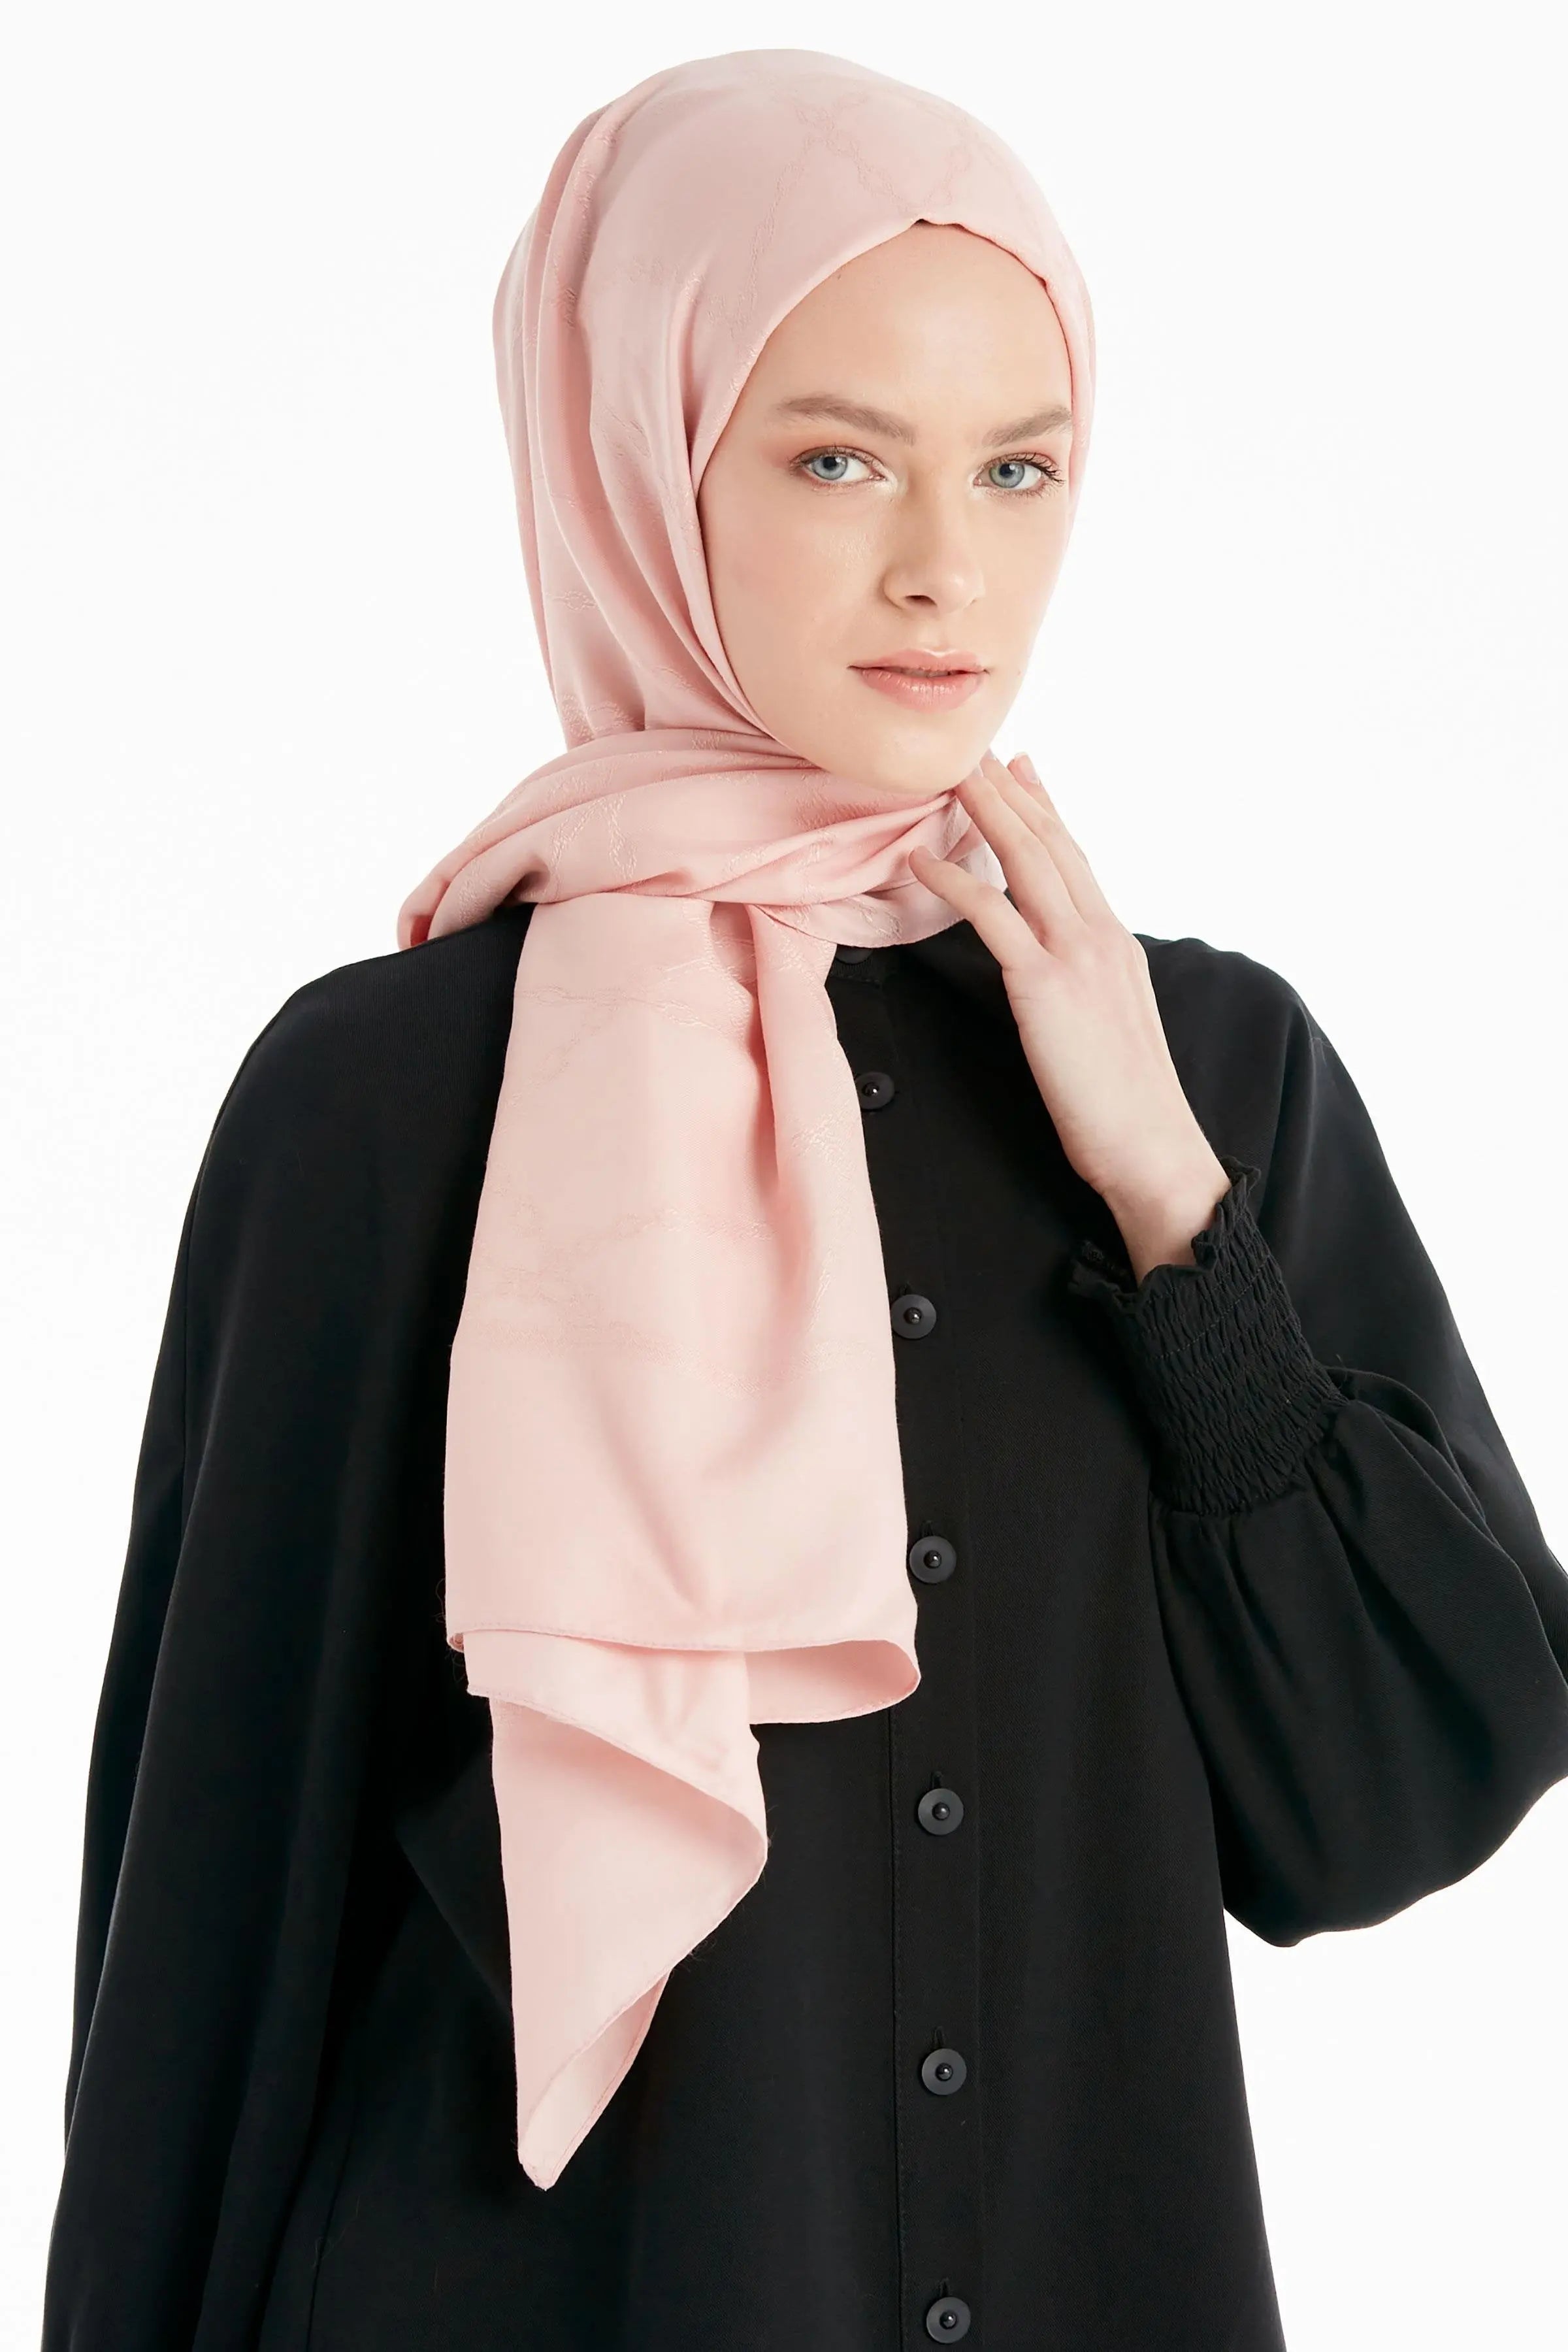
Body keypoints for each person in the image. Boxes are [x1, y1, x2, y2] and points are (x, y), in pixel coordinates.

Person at [41, 46, 1568, 2352]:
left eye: (1020, 467)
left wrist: (1174, 1216)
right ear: (642, 462)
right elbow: (213, 1921)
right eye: (838, 457)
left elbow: (1391, 1805)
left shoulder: (1206, 1071)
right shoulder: (384, 1103)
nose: (947, 566)